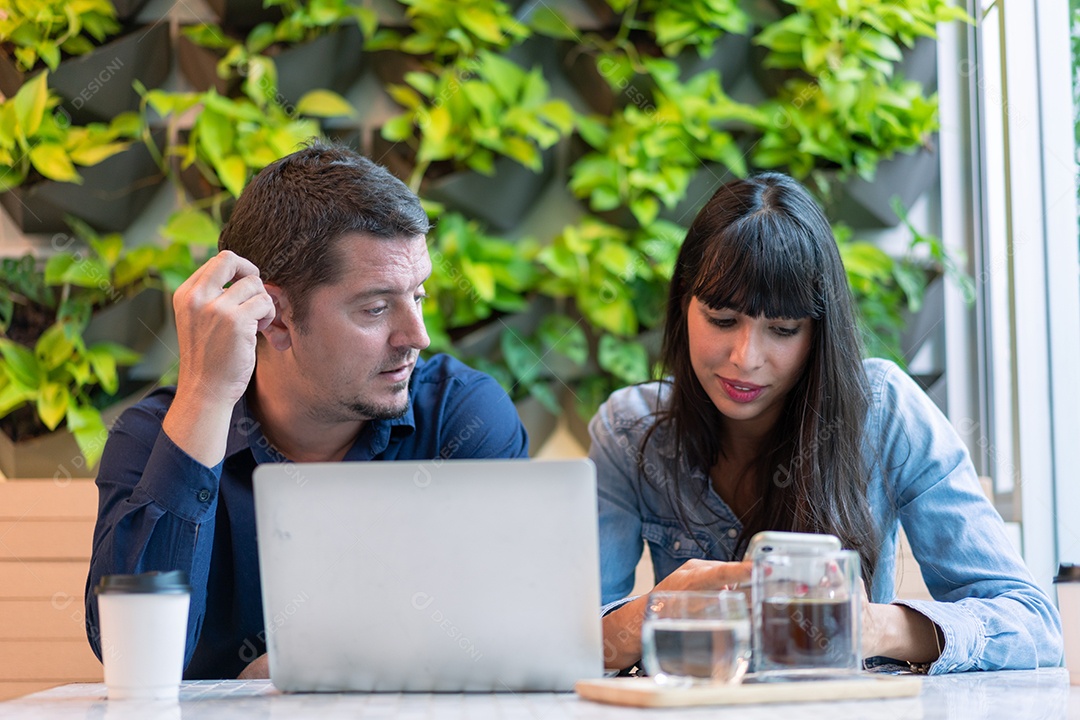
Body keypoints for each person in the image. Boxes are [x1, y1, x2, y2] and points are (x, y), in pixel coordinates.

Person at [84, 142, 529, 680]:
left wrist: (298, 664)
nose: (418, 336)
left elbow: (508, 634)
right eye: (375, 307)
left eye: (419, 296)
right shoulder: (154, 437)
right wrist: (204, 397)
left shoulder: (460, 417)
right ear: (273, 319)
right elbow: (135, 660)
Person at [589, 172, 1062, 674]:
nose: (746, 358)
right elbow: (562, 644)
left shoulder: (884, 410)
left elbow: (1032, 626)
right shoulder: (629, 430)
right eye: (722, 319)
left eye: (783, 329)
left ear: (819, 333)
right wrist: (661, 607)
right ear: (684, 303)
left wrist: (872, 627)